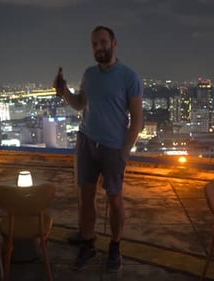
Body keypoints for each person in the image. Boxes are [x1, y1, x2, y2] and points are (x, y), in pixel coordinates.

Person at [53, 25, 143, 272]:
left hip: (113, 147)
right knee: (85, 196)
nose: (98, 47)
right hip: (86, 142)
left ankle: (115, 245)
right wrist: (64, 92)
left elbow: (137, 120)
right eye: (94, 44)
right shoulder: (89, 74)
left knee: (115, 199)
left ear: (114, 43)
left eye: (103, 42)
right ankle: (88, 239)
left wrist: (125, 152)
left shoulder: (129, 77)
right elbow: (80, 105)